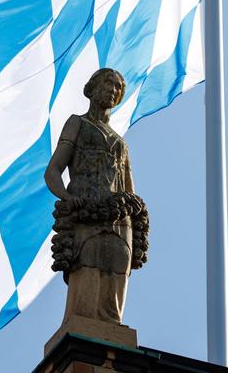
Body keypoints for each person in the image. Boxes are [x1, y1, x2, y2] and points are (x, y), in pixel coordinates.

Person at [43, 68, 149, 325]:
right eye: (108, 84)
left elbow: (129, 190)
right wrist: (66, 198)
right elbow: (53, 171)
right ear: (92, 88)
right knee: (86, 279)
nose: (112, 90)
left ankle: (112, 338)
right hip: (87, 214)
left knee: (115, 282)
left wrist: (136, 219)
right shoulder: (77, 123)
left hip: (119, 220)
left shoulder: (120, 142)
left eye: (117, 87)